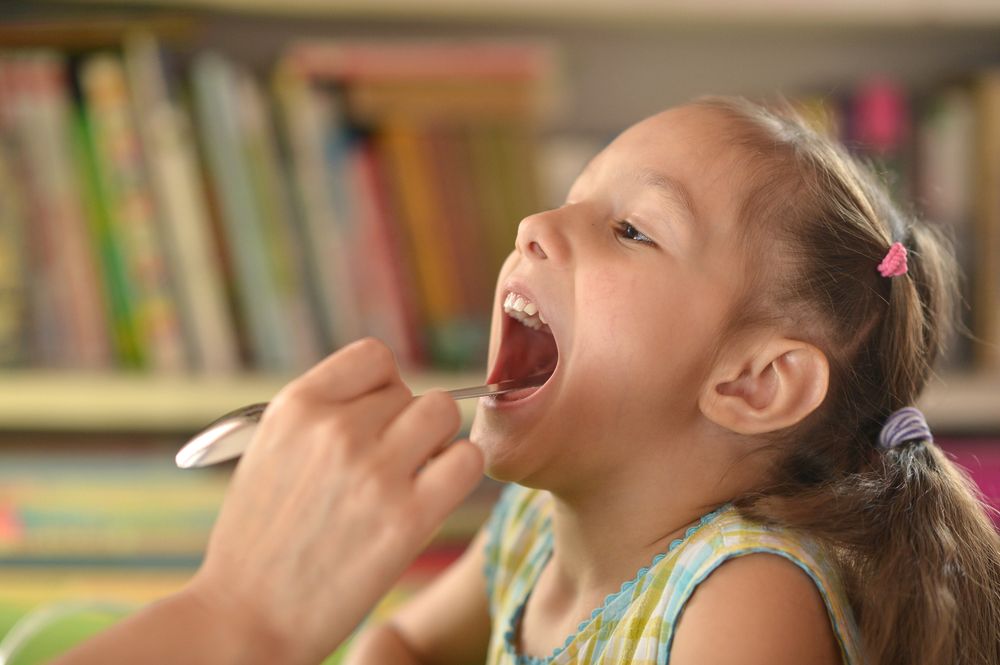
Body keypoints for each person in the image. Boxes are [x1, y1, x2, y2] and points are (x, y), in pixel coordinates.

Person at [345, 97, 1000, 665]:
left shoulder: (744, 599)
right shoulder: (532, 525)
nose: (535, 226)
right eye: (573, 199)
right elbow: (401, 640)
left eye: (630, 230)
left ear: (756, 382)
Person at [52, 339, 485, 665]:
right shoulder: (522, 533)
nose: (532, 227)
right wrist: (241, 610)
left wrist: (239, 610)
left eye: (558, 212)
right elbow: (404, 643)